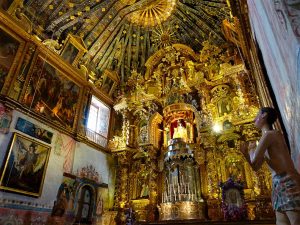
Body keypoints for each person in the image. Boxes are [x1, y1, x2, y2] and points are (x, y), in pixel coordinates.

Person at [240, 107, 300, 225]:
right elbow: (255, 166)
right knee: (281, 221)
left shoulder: (270, 135)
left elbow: (254, 159)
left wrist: (250, 150)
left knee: (295, 221)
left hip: (287, 181)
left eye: (257, 115)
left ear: (264, 115)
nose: (254, 119)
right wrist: (246, 153)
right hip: (278, 184)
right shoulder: (265, 138)